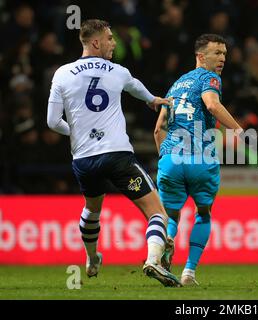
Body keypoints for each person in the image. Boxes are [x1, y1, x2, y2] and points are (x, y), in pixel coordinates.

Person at [47, 19, 181, 287]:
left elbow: (52, 122)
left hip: (84, 160)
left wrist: (77, 133)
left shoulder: (62, 73)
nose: (114, 42)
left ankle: (92, 257)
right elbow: (136, 88)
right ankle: (153, 260)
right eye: (109, 38)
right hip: (117, 156)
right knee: (157, 213)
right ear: (95, 42)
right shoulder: (117, 71)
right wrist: (153, 99)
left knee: (92, 209)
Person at [153, 34, 242, 286]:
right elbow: (212, 106)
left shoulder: (175, 85)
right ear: (201, 57)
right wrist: (237, 129)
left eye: (224, 53)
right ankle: (189, 272)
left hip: (170, 158)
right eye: (217, 53)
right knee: (203, 213)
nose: (223, 58)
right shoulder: (210, 78)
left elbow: (158, 128)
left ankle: (164, 250)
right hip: (201, 158)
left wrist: (165, 157)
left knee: (170, 215)